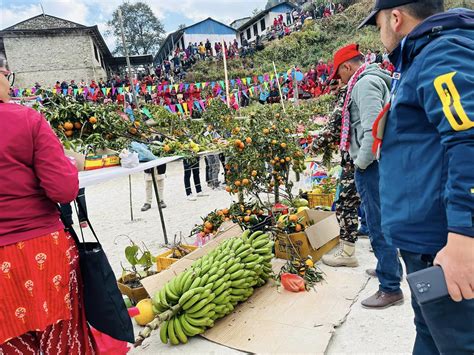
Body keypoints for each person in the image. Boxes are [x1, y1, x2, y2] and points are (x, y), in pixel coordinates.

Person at [359, 1, 474, 353]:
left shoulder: (441, 53)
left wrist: (464, 237)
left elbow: (468, 140)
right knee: (429, 332)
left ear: (396, 19)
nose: (380, 36)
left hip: (442, 245)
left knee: (458, 342)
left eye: (378, 25)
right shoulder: (423, 55)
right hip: (425, 244)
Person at [0, 56, 95, 353]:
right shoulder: (26, 120)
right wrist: (70, 164)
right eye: (5, 73)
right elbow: (63, 189)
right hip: (40, 249)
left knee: (12, 343)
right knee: (62, 341)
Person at [329, 43, 403, 308]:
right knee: (380, 219)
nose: (340, 80)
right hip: (374, 163)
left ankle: (390, 287)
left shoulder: (364, 84)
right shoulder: (367, 80)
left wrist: (360, 163)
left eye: (339, 74)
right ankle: (389, 268)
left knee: (377, 221)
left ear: (348, 66)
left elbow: (373, 131)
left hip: (371, 165)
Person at [312, 81, 361, 267]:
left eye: (334, 86)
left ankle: (348, 254)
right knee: (373, 206)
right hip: (363, 157)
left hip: (356, 159)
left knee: (346, 204)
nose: (332, 91)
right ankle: (387, 262)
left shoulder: (348, 92)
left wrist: (314, 146)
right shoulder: (361, 86)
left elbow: (332, 127)